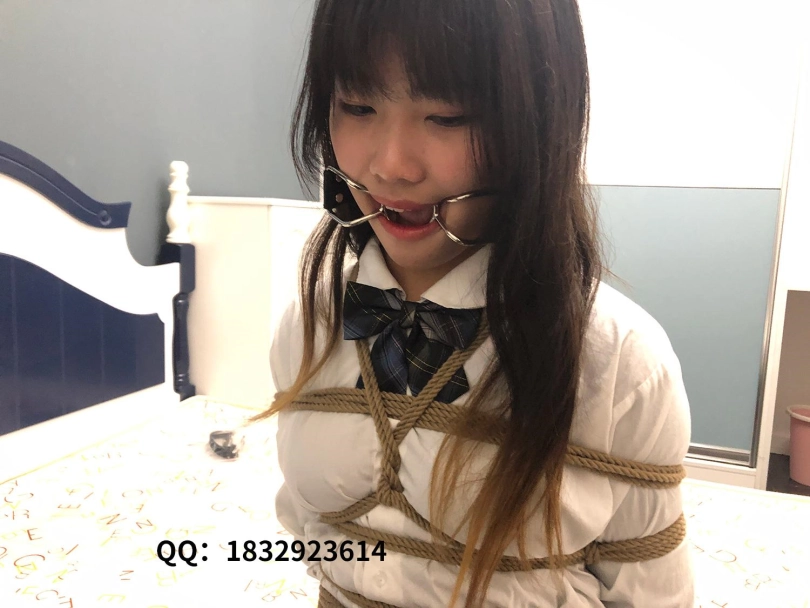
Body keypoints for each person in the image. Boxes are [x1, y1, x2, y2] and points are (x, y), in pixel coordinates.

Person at [254, 0, 694, 606]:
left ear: (540, 119)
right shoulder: (311, 322)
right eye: (357, 106)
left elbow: (652, 594)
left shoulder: (622, 363)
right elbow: (311, 531)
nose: (391, 166)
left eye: (448, 116)